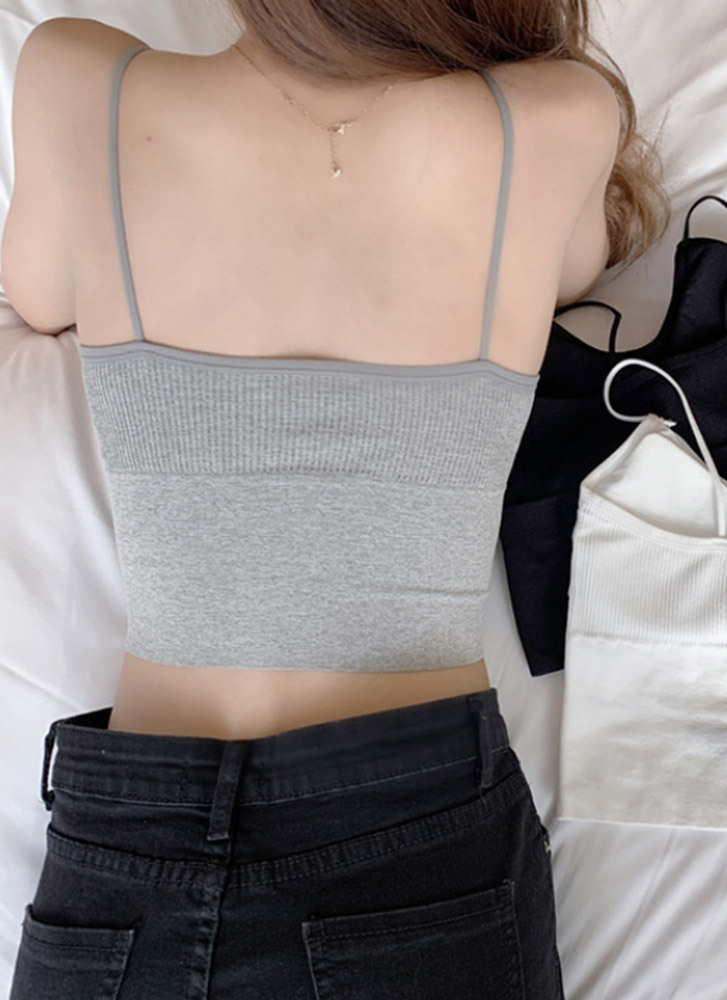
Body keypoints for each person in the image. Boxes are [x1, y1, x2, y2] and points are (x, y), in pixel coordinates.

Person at [2, 2, 670, 996]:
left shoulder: (80, 80)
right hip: (413, 823)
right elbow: (572, 269)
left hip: (137, 829)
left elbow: (40, 293)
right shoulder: (556, 114)